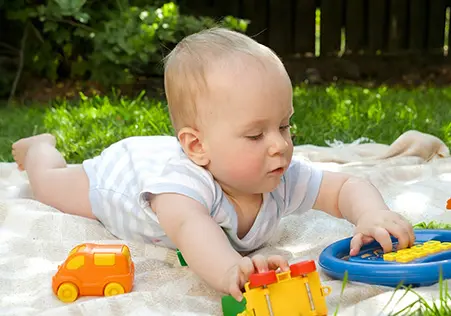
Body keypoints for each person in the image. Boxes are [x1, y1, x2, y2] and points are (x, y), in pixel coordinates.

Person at [12, 27, 414, 302]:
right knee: (48, 183)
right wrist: (231, 270)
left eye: (284, 125)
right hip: (124, 176)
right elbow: (193, 231)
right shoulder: (182, 191)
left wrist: (371, 214)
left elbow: (343, 187)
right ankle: (39, 147)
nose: (279, 145)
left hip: (169, 155)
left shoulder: (278, 175)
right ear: (198, 146)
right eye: (255, 135)